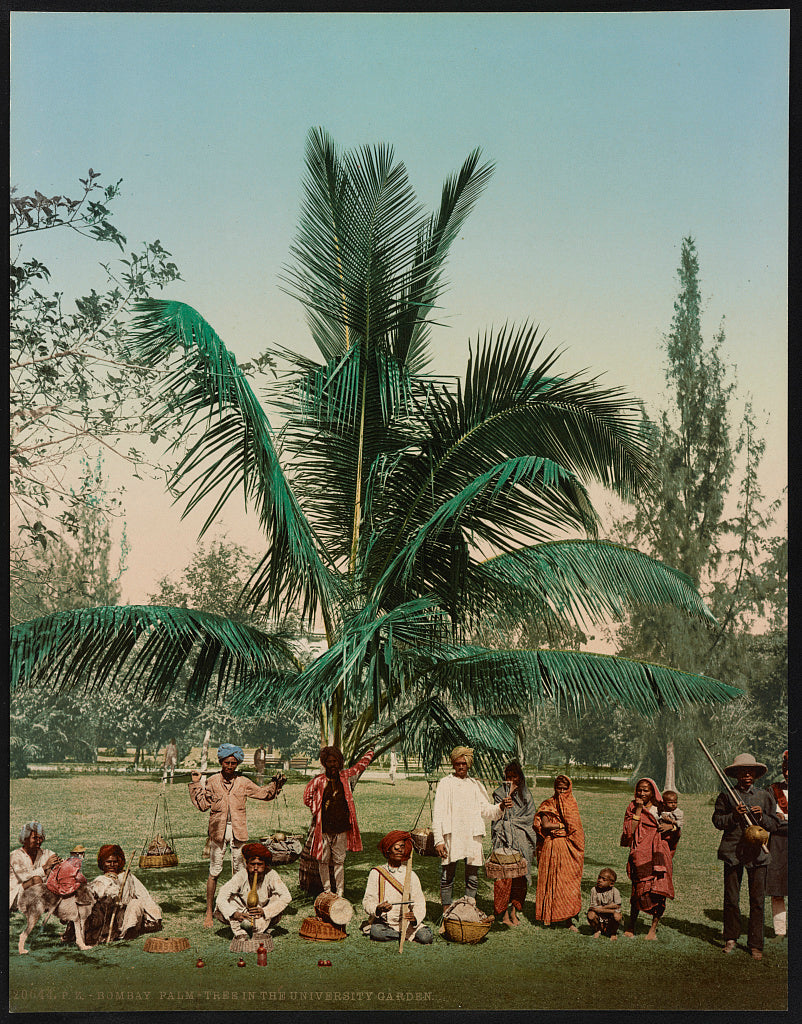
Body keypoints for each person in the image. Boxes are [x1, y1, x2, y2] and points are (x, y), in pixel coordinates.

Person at [189, 742, 286, 927]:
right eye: (227, 763)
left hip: (238, 832)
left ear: (238, 764)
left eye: (234, 763)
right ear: (221, 762)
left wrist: (276, 784)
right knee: (214, 872)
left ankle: (238, 911)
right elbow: (202, 805)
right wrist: (196, 782)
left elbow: (264, 794)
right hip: (218, 833)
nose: (230, 767)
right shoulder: (212, 781)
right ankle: (209, 912)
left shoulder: (243, 782)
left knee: (240, 873)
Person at [712, 751, 779, 960]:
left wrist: (761, 818)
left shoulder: (765, 795)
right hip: (732, 853)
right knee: (731, 898)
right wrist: (734, 815)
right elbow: (717, 821)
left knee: (757, 900)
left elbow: (774, 824)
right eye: (743, 772)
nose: (747, 776)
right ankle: (730, 938)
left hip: (758, 854)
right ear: (737, 775)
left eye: (750, 772)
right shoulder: (727, 795)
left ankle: (755, 944)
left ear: (755, 775)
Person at [432, 746, 508, 910]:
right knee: (447, 876)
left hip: (472, 837)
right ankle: (446, 913)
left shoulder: (475, 785)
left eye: (464, 764)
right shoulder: (445, 783)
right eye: (458, 763)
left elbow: (487, 811)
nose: (461, 767)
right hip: (452, 836)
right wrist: (439, 840)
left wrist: (501, 806)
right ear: (453, 764)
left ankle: (468, 910)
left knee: (472, 877)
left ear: (469, 765)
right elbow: (437, 814)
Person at [303, 745, 374, 896]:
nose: (333, 764)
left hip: (341, 827)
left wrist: (370, 751)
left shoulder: (345, 777)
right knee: (323, 861)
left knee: (339, 862)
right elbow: (306, 797)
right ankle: (327, 891)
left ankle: (340, 892)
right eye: (329, 761)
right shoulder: (318, 781)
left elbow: (360, 767)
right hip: (323, 829)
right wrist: (316, 809)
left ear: (340, 762)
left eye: (335, 761)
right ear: (324, 763)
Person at [620, 778, 678, 940]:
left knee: (659, 890)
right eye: (640, 790)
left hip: (660, 853)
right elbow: (629, 832)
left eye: (646, 790)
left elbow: (676, 826)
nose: (642, 793)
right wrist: (638, 810)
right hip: (641, 853)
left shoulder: (662, 807)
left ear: (653, 792)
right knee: (638, 890)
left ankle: (653, 928)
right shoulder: (632, 807)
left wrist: (671, 827)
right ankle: (631, 924)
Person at [361, 830, 433, 944]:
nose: (400, 850)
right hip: (385, 923)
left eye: (402, 847)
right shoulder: (376, 873)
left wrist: (415, 918)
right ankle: (402, 935)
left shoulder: (411, 875)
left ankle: (400, 935)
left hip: (406, 923)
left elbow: (419, 901)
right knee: (377, 931)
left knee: (426, 937)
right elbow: (367, 901)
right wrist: (378, 909)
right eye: (396, 847)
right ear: (388, 850)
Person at [533, 774, 585, 930]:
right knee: (550, 881)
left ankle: (568, 919)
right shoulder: (548, 804)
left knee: (567, 883)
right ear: (554, 788)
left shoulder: (571, 805)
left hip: (567, 848)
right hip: (551, 846)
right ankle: (548, 916)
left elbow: (576, 828)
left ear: (569, 789)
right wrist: (561, 826)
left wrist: (563, 827)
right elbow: (546, 825)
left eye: (564, 788)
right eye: (558, 788)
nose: (561, 792)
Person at [490, 760, 538, 926]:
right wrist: (503, 806)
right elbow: (496, 817)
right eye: (508, 776)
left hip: (522, 840)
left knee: (520, 877)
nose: (510, 780)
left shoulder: (526, 795)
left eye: (514, 776)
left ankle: (514, 911)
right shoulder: (499, 793)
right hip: (504, 840)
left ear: (520, 777)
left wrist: (514, 825)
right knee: (504, 877)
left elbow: (530, 818)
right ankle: (503, 914)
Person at [214, 842, 292, 940]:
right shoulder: (241, 875)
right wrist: (235, 913)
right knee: (225, 901)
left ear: (265, 865)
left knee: (277, 898)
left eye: (259, 864)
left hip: (262, 912)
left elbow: (287, 897)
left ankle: (258, 928)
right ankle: (240, 932)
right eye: (252, 864)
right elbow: (222, 896)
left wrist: (265, 911)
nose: (255, 868)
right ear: (247, 864)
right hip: (243, 912)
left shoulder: (271, 875)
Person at [87, 845, 162, 941]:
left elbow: (143, 895)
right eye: (108, 862)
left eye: (115, 862)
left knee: (136, 903)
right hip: (107, 916)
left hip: (126, 915)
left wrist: (155, 915)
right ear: (103, 863)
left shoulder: (127, 876)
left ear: (119, 862)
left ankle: (129, 932)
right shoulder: (100, 880)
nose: (112, 865)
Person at [10, 821, 60, 912]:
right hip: (17, 896)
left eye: (40, 838)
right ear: (25, 839)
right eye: (35, 838)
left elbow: (55, 860)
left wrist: (57, 862)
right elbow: (25, 877)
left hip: (37, 894)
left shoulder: (45, 853)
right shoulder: (15, 856)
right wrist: (45, 867)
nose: (38, 841)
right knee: (36, 879)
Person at [766, 749, 788, 940]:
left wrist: (783, 819)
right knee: (778, 889)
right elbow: (770, 818)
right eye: (785, 768)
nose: (788, 773)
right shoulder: (772, 790)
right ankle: (780, 930)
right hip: (778, 845)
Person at [586, 868, 623, 940]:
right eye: (599, 877)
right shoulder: (594, 890)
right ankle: (597, 930)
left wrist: (602, 908)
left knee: (617, 916)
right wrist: (610, 909)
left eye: (604, 879)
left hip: (610, 917)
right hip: (599, 916)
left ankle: (613, 932)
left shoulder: (615, 891)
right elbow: (594, 907)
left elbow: (617, 906)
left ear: (611, 883)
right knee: (591, 915)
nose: (600, 880)